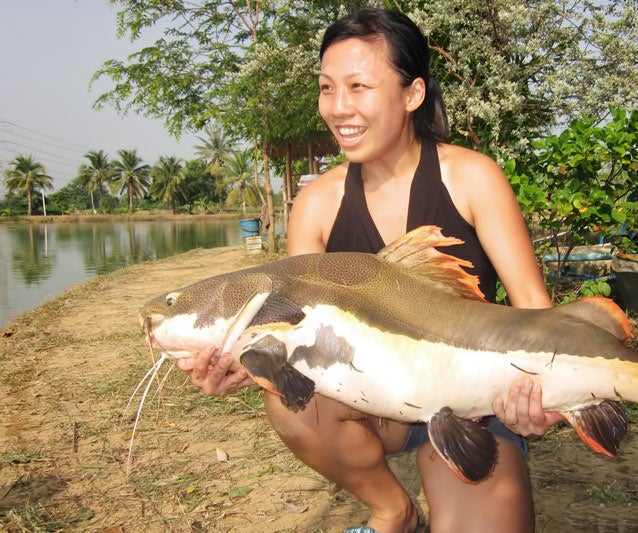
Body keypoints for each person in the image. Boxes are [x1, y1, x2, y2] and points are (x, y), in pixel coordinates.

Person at [178, 8, 562, 532]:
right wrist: (248, 368)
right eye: (327, 88)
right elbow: (292, 336)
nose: (339, 108)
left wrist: (543, 397)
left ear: (412, 94)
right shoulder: (316, 204)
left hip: (477, 405)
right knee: (290, 408)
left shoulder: (471, 178)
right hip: (373, 404)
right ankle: (392, 511)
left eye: (359, 86)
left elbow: (536, 311)